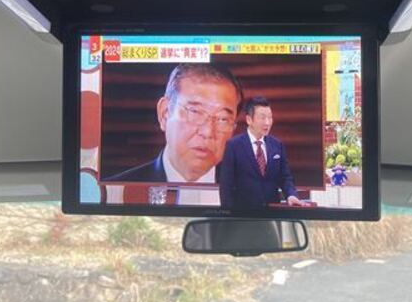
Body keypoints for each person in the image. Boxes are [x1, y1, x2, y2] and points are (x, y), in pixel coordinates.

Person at [106, 63, 242, 191]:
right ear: (165, 113)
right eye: (195, 112)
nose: (208, 132)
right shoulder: (115, 189)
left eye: (223, 119)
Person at [218, 96, 302, 210]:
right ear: (249, 120)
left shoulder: (277, 145)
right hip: (243, 214)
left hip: (272, 212)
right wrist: (228, 213)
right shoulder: (234, 146)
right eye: (262, 118)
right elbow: (226, 185)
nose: (267, 122)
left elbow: (285, 177)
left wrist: (291, 195)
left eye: (270, 117)